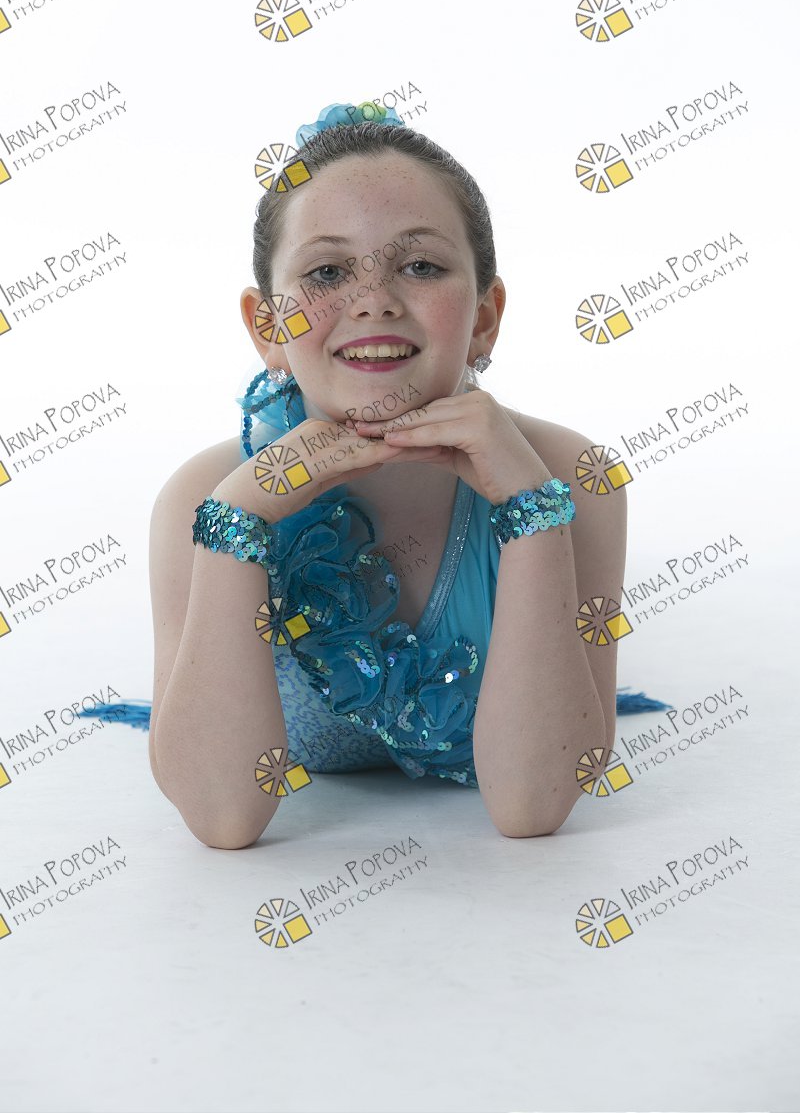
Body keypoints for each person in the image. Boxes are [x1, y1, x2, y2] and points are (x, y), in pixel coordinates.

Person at [77, 99, 669, 845]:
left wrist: (533, 513)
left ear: (485, 316)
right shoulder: (206, 497)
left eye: (420, 266)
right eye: (327, 271)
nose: (374, 302)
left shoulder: (571, 477)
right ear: (268, 326)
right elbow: (224, 818)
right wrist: (236, 523)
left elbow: (532, 806)